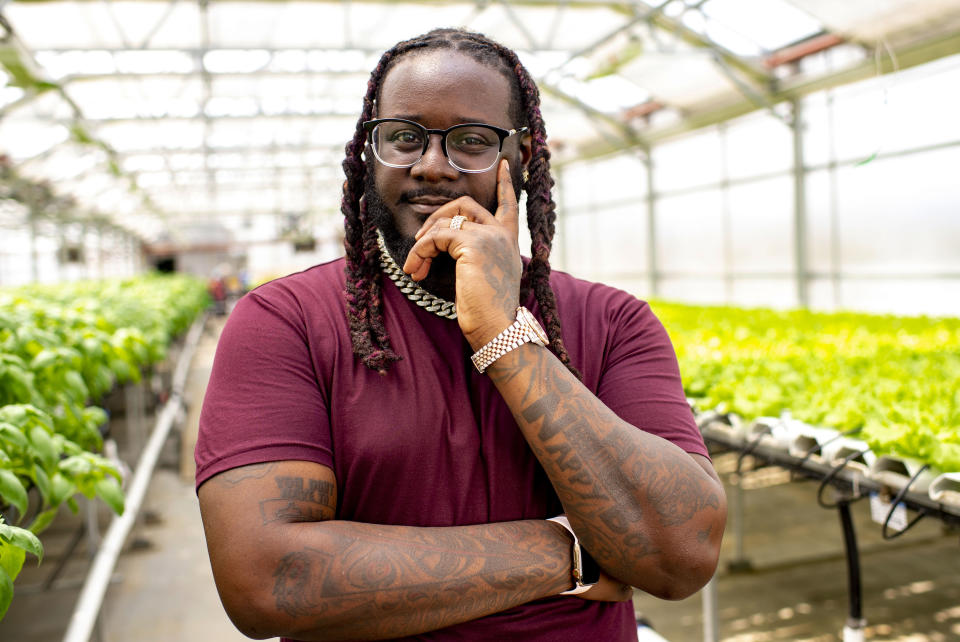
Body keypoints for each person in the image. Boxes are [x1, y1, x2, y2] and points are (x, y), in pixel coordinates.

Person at [195, 27, 726, 642]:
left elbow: (680, 552)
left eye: (472, 141)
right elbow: (269, 583)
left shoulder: (615, 322)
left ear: (520, 159)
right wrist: (569, 553)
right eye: (403, 137)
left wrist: (501, 333)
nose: (431, 166)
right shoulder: (284, 321)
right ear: (370, 154)